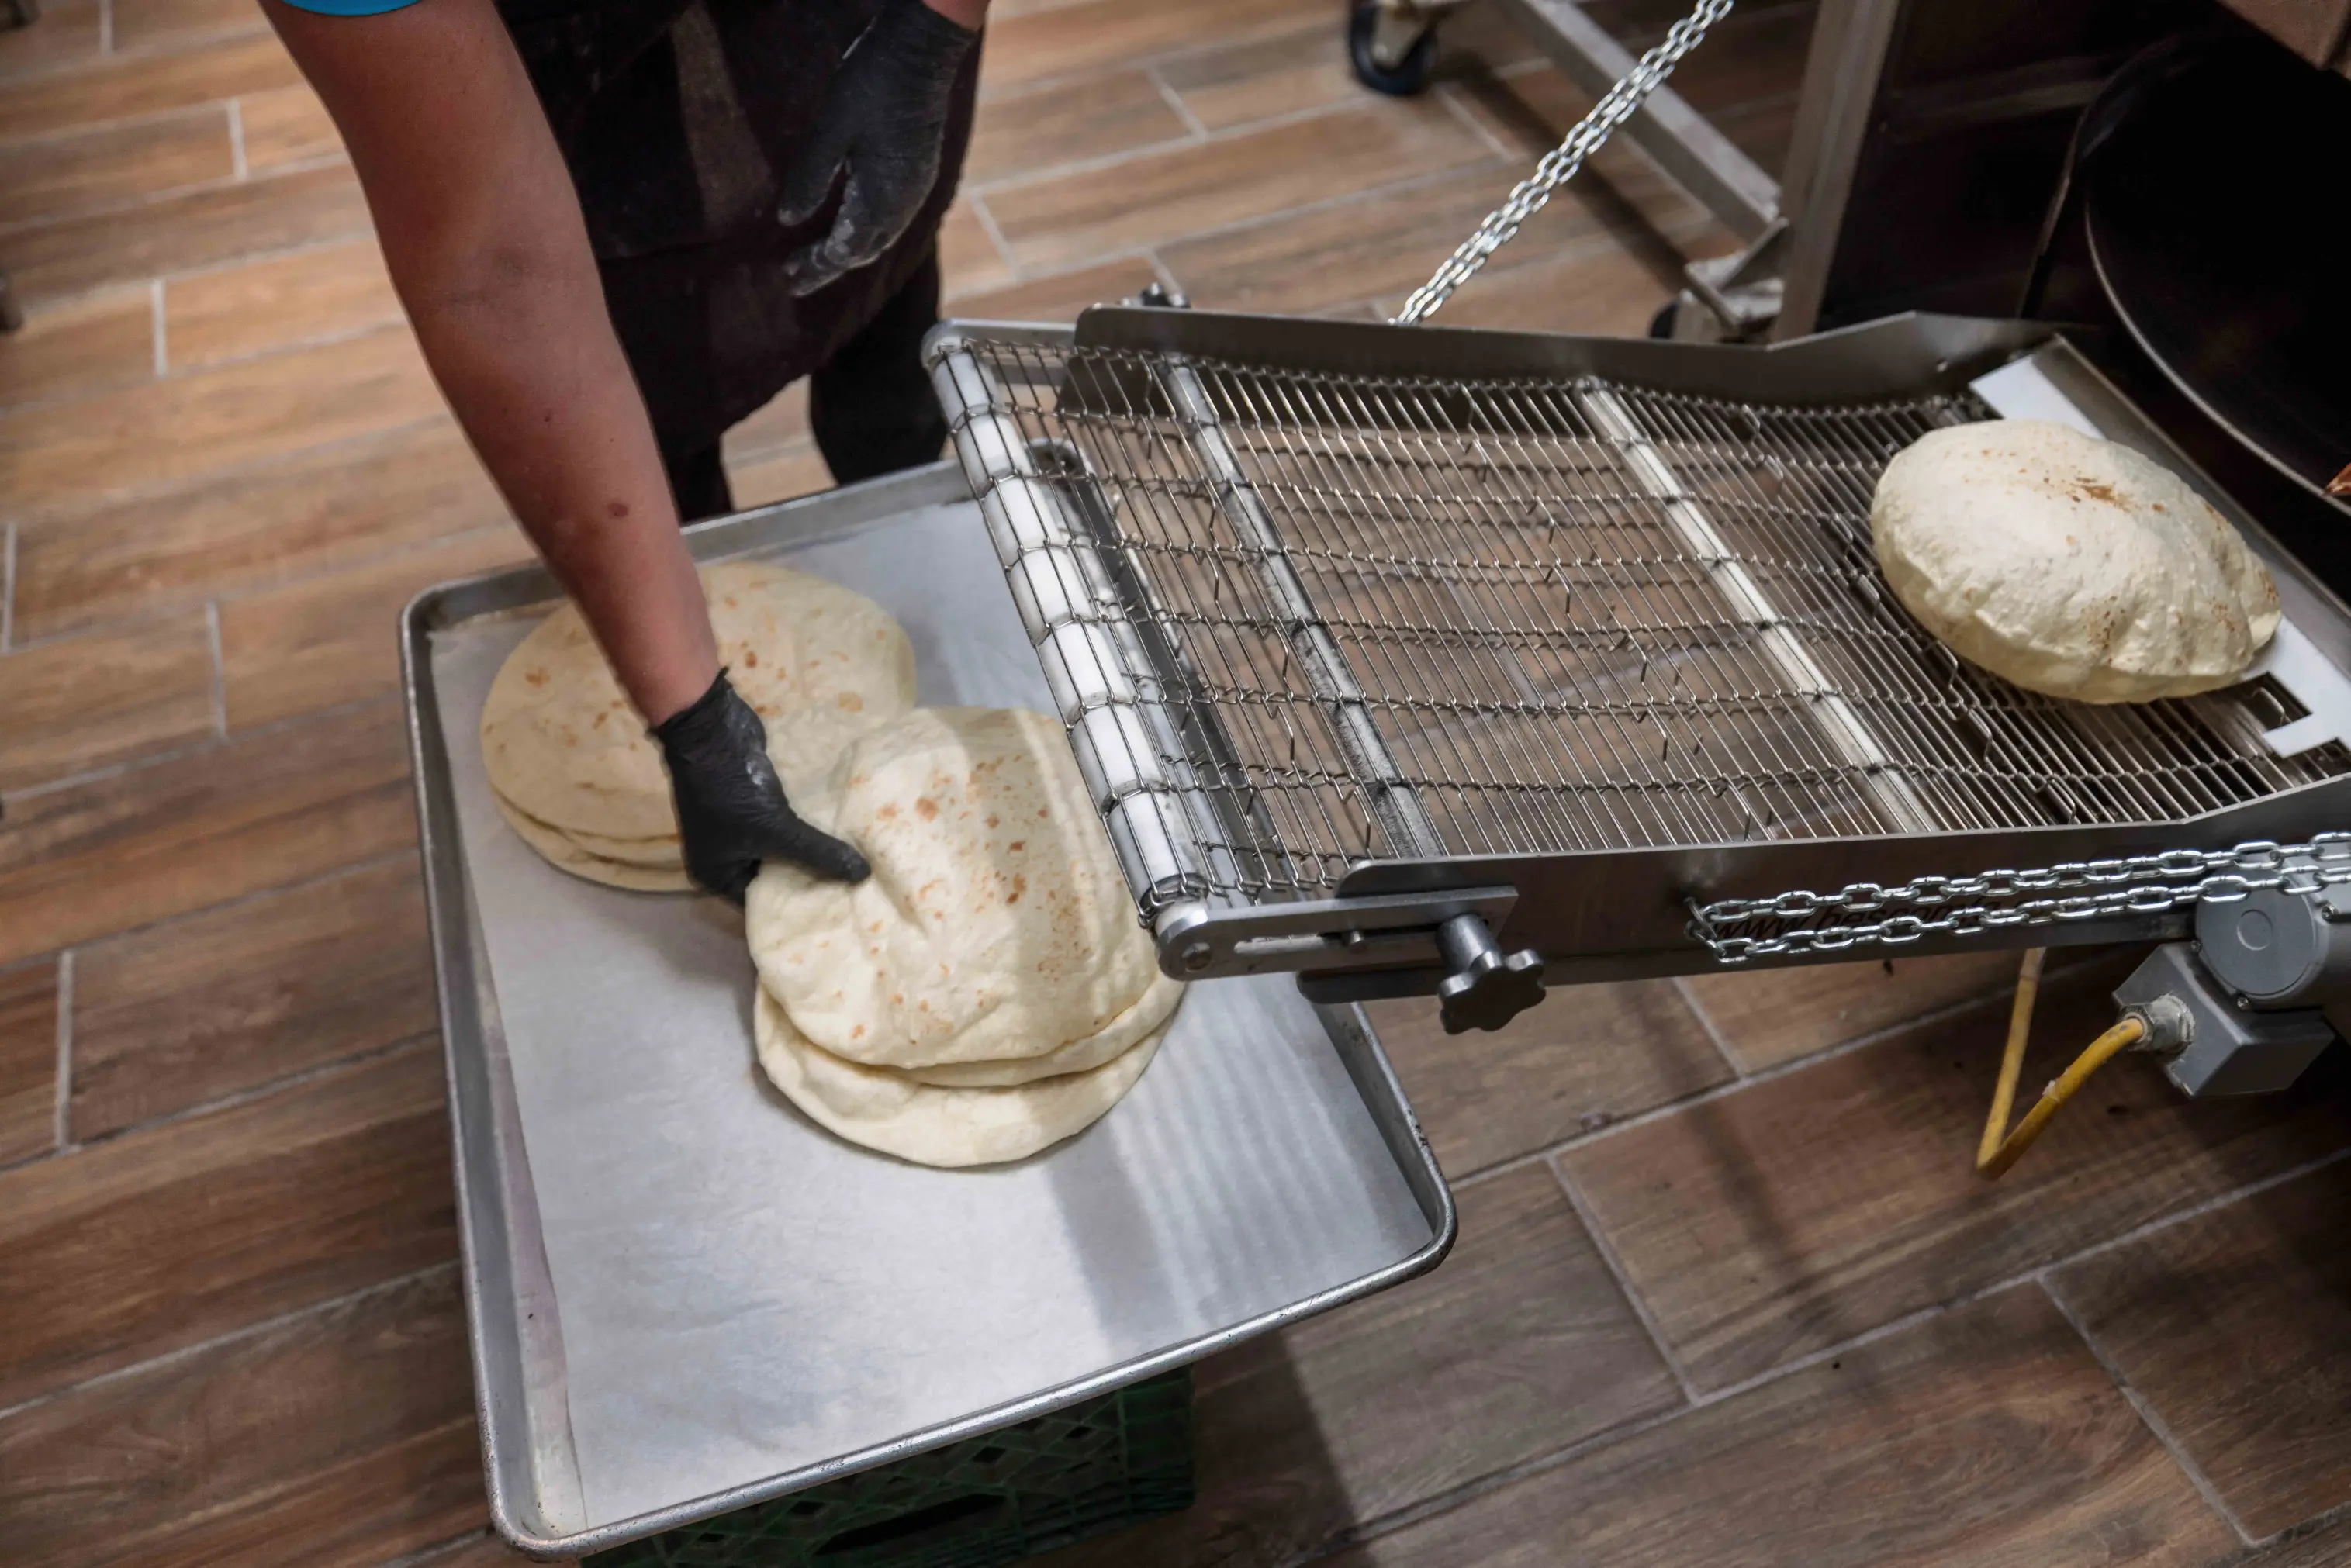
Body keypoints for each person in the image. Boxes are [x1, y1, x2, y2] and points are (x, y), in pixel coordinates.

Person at [263, 0, 984, 900]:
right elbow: (493, 267)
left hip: (855, 26)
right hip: (605, 119)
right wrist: (696, 720)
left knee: (885, 292)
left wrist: (931, 31)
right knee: (657, 405)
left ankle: (904, 466)